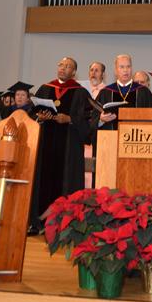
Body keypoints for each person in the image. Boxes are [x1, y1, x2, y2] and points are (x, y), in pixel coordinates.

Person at [29, 57, 90, 234]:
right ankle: (37, 222)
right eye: (61, 65)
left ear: (74, 72)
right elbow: (34, 113)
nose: (63, 68)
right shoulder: (45, 88)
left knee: (66, 181)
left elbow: (87, 119)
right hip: (45, 144)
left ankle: (64, 224)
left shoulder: (80, 92)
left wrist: (70, 119)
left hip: (68, 147)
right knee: (42, 178)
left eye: (68, 66)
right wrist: (40, 117)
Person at [92, 55, 152, 133]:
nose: (125, 70)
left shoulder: (143, 91)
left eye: (128, 66)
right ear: (115, 71)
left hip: (137, 139)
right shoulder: (106, 92)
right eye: (122, 67)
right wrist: (101, 119)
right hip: (111, 141)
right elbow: (94, 118)